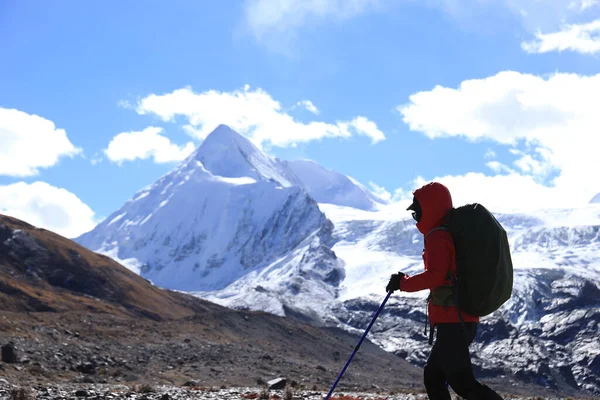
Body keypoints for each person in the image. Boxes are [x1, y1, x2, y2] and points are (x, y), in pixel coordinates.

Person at [385, 182, 503, 400]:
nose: (415, 218)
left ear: (429, 209)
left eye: (417, 212)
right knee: (434, 376)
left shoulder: (437, 237)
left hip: (453, 320)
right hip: (458, 319)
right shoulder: (445, 234)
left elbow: (436, 275)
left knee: (461, 382)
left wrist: (403, 284)